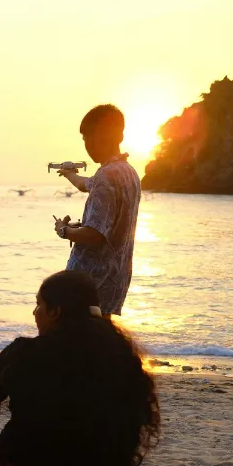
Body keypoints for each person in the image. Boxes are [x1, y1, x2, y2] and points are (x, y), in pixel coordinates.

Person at [0, 271, 160, 466]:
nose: (35, 313)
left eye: (39, 304)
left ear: (55, 312)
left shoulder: (25, 353)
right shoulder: (120, 355)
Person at [55, 104, 141, 317]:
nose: (86, 145)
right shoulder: (128, 172)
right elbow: (86, 184)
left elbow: (94, 234)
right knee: (100, 340)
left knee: (76, 340)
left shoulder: (106, 176)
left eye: (87, 138)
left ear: (100, 135)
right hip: (114, 277)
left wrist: (64, 230)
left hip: (88, 282)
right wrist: (69, 174)